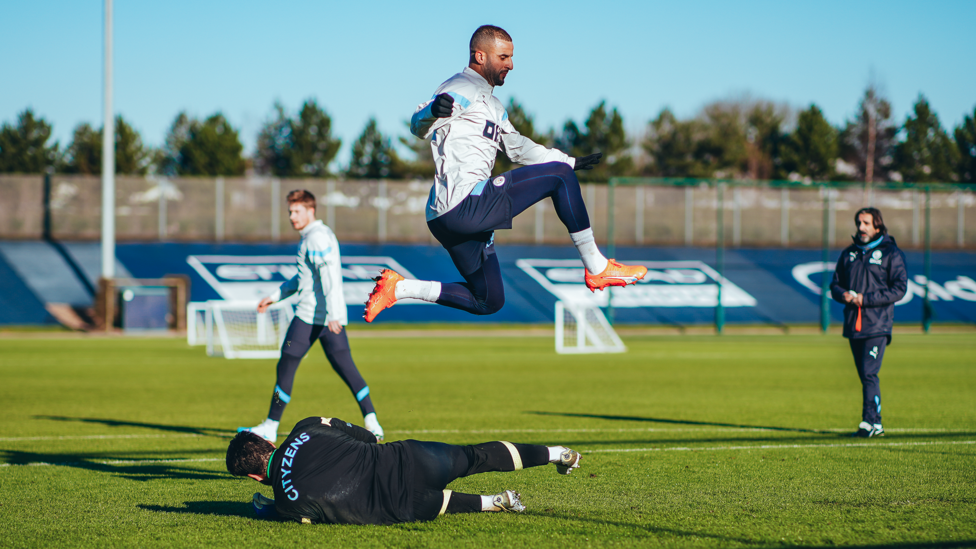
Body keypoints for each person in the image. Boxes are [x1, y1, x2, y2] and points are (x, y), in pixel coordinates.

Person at [363, 25, 646, 322]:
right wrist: (433, 110)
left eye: (511, 57)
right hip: (464, 204)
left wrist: (568, 161)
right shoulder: (461, 87)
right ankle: (597, 267)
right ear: (480, 55)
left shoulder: (494, 107)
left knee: (488, 300)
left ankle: (400, 288)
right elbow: (418, 125)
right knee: (559, 178)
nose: (510, 65)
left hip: (446, 218)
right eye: (503, 57)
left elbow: (518, 148)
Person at [226, 416, 583, 525]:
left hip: (402, 504)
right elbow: (364, 436)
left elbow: (305, 517)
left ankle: (495, 502)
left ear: (254, 476)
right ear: (267, 443)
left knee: (432, 502)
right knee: (477, 456)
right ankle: (557, 453)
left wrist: (267, 508)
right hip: (412, 457)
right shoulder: (305, 428)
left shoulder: (287, 503)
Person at [238, 190, 384, 442]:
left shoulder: (315, 238)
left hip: (312, 317)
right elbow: (304, 276)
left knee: (286, 364)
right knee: (347, 369)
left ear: (310, 210)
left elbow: (328, 277)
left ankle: (271, 426)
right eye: (290, 212)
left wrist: (334, 313)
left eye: (296, 211)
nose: (292, 217)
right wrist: (275, 295)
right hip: (326, 317)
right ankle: (372, 421)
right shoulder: (319, 234)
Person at [829, 207, 907, 438]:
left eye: (865, 223)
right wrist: (842, 294)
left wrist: (867, 299)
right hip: (854, 324)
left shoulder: (891, 253)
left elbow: (899, 289)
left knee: (869, 373)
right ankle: (876, 424)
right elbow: (835, 284)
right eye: (858, 223)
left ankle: (869, 422)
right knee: (865, 375)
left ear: (877, 226)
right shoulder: (849, 254)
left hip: (877, 325)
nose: (860, 228)